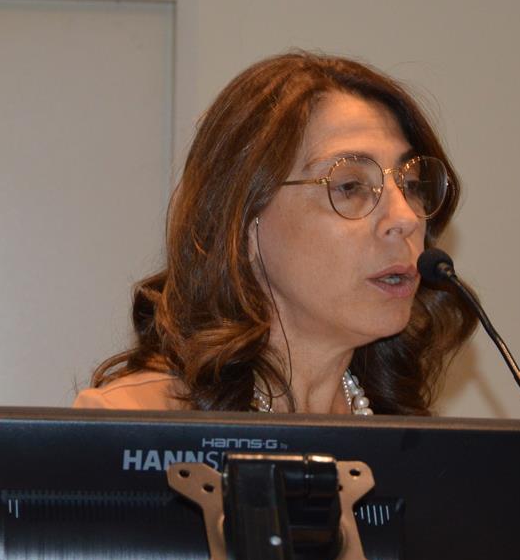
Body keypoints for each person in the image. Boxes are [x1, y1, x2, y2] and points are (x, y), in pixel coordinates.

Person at [75, 51, 477, 416]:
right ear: (244, 224)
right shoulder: (134, 423)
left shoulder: (413, 439)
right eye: (350, 186)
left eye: (411, 185)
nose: (406, 218)